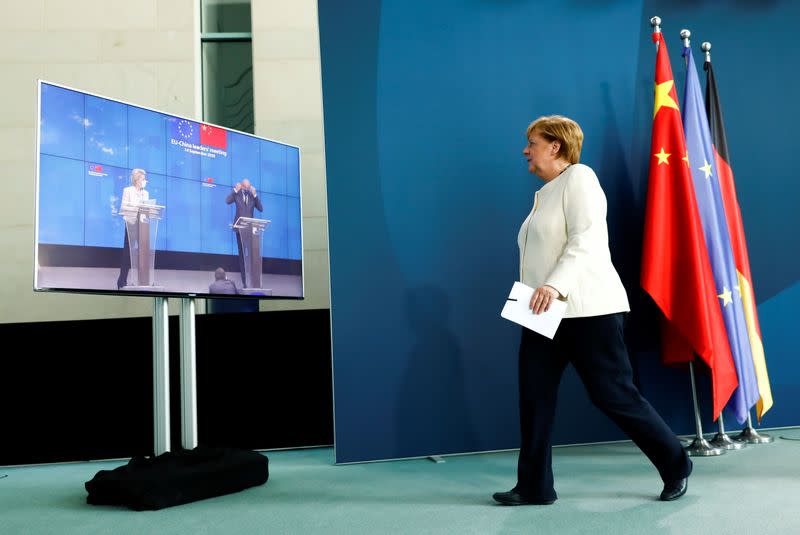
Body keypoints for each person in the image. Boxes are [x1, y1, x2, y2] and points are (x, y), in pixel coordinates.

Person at [493, 115, 692, 506]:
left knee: (612, 394)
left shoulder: (580, 177)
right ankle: (534, 486)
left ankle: (675, 462)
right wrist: (537, 292)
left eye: (531, 142)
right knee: (534, 399)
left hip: (588, 310)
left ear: (555, 146)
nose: (525, 150)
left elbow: (587, 240)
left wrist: (553, 284)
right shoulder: (545, 194)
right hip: (539, 312)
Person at [225, 178, 263, 288]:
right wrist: (235, 190)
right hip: (240, 230)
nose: (247, 189)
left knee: (252, 256)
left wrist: (255, 195)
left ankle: (254, 281)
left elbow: (261, 209)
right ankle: (244, 282)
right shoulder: (237, 195)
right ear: (241, 186)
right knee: (242, 256)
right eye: (245, 187)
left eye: (249, 187)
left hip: (251, 231)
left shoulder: (252, 196)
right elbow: (227, 201)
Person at [117, 168, 149, 289]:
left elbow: (147, 208)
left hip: (143, 226)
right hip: (131, 224)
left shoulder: (145, 193)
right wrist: (137, 207)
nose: (145, 180)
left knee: (142, 254)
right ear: (137, 179)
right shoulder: (128, 190)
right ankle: (121, 281)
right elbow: (124, 207)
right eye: (143, 178)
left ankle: (142, 281)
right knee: (127, 254)